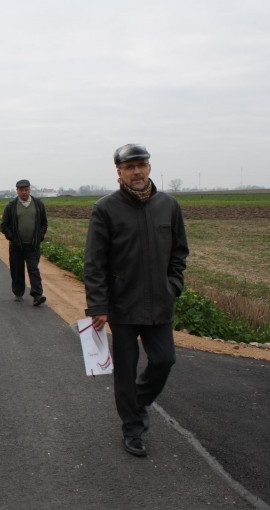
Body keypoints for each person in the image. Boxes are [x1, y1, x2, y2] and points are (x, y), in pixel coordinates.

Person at [83, 144, 189, 458]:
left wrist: (173, 286)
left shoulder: (168, 206)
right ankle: (132, 428)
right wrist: (98, 306)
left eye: (141, 165)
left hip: (160, 303)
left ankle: (138, 401)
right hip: (123, 306)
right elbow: (95, 262)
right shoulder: (106, 208)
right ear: (119, 172)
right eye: (129, 167)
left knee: (164, 360)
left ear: (149, 168)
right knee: (125, 370)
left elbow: (179, 253)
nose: (137, 172)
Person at [0, 179, 48, 306]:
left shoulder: (38, 204)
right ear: (17, 191)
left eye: (26, 190)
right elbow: (4, 225)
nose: (24, 192)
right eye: (21, 190)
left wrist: (40, 236)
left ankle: (37, 295)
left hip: (33, 245)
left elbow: (44, 223)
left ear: (29, 189)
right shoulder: (11, 206)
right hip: (17, 245)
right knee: (17, 270)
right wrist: (12, 238)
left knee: (33, 269)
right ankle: (18, 292)